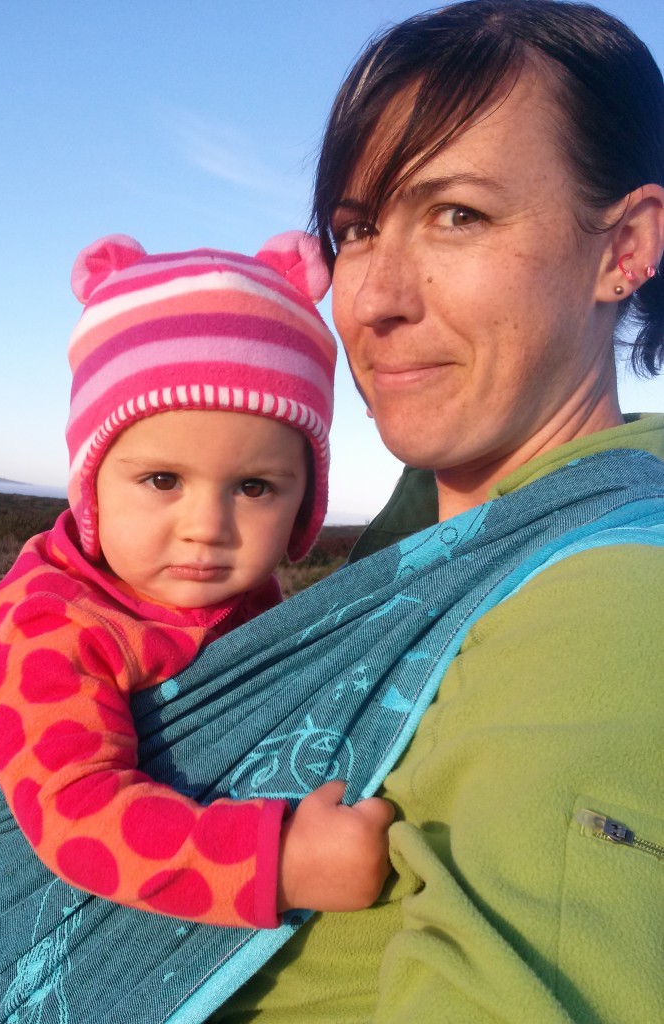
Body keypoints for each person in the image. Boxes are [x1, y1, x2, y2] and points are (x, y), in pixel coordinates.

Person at [210, 0, 664, 1020]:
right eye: (357, 229)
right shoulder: (437, 539)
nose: (371, 297)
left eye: (456, 214)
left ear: (623, 247)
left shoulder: (608, 607)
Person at [0, 231, 393, 931]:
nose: (207, 526)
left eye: (254, 487)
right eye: (163, 480)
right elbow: (78, 812)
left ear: (303, 501)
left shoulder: (242, 599)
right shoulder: (46, 625)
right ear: (91, 482)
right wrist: (276, 865)